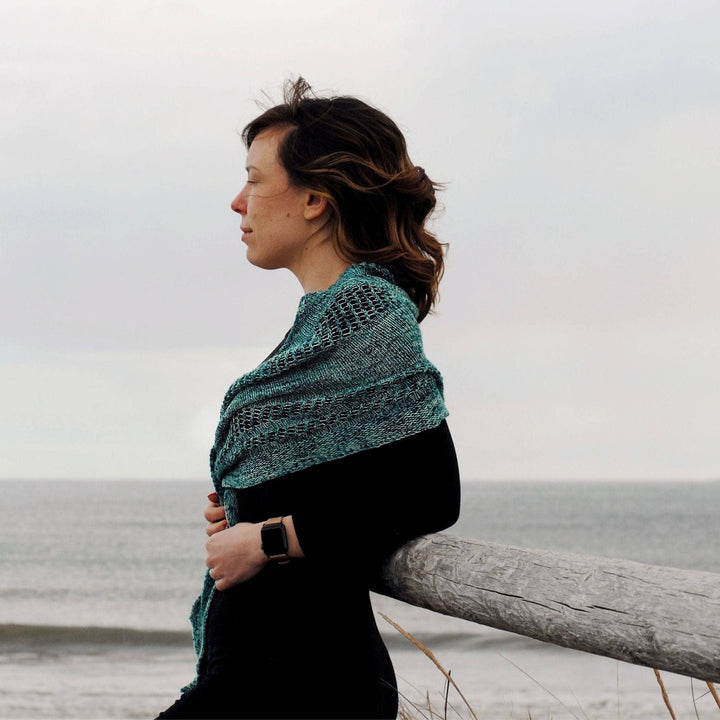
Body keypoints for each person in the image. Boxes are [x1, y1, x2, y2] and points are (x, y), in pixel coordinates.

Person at [156, 77, 461, 720]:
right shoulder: (324, 322)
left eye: (256, 181)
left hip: (302, 682)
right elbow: (347, 483)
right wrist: (250, 506)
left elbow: (431, 491)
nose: (237, 202)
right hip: (262, 673)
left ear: (316, 199)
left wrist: (264, 538)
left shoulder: (367, 315)